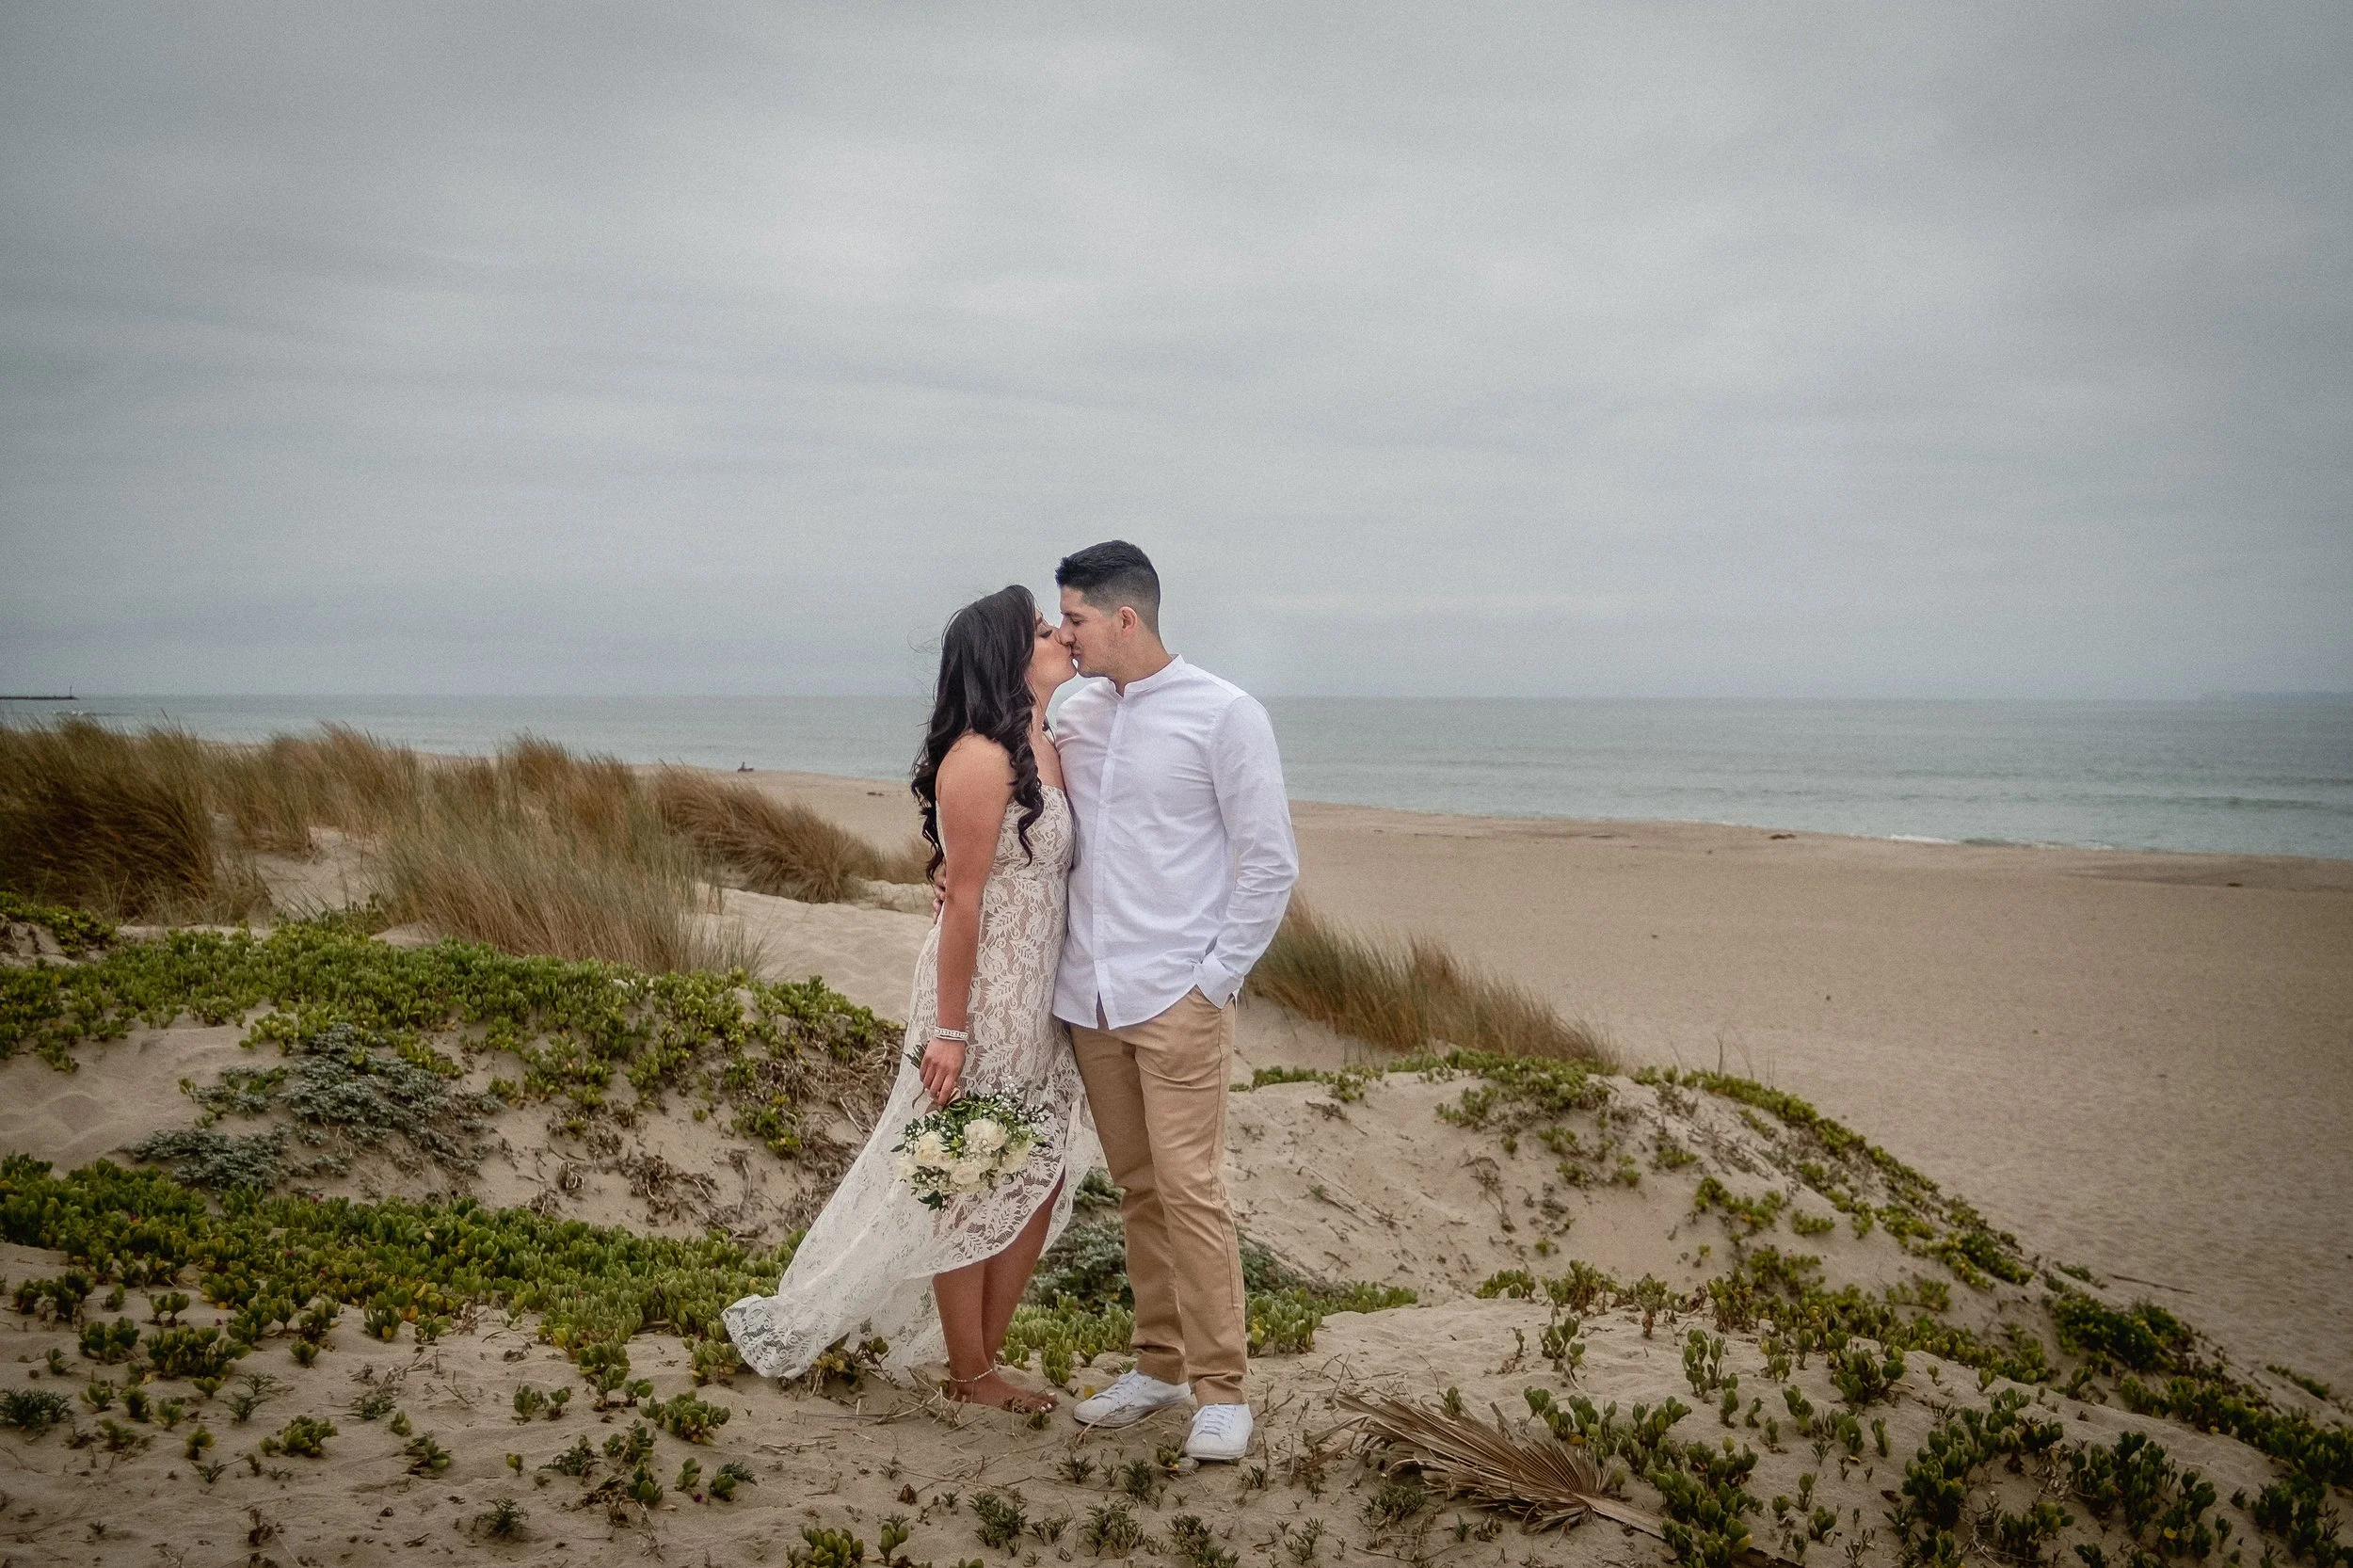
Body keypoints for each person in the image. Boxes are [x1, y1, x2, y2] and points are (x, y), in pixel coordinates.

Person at [722, 584, 1090, 1413]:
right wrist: (950, 1030)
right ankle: (973, 1373)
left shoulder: (1049, 742)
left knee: (1042, 1174)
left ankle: (981, 1361)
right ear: (1006, 656)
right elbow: (962, 902)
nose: (1061, 636)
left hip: (1041, 1000)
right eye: (1042, 631)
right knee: (967, 1170)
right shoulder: (979, 758)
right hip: (983, 997)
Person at [1050, 540, 1299, 1463]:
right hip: (1091, 1000)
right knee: (1136, 1189)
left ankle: (1221, 1387)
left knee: (1191, 1189)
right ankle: (1155, 1365)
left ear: (1125, 618)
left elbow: (1268, 860)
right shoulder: (1074, 716)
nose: (1062, 633)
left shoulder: (1224, 714)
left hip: (1176, 999)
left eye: (1073, 618)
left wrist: (1212, 984)